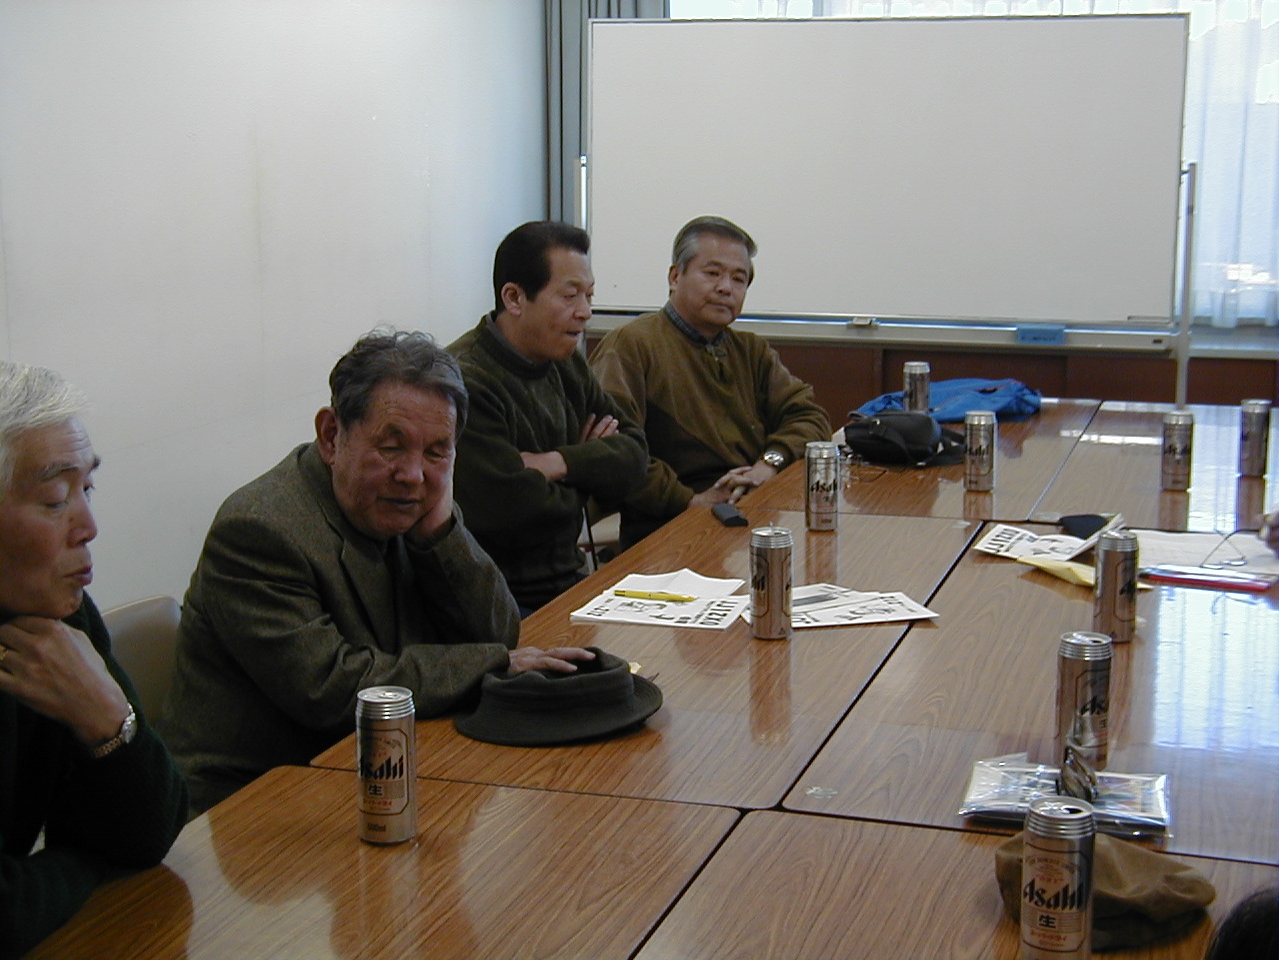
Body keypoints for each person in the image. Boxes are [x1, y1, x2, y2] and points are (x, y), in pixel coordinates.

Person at [164, 330, 591, 815]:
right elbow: (332, 689)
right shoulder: (259, 530)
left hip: (377, 765)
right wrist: (490, 665)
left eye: (436, 452)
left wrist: (441, 534)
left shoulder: (415, 505)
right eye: (392, 447)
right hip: (255, 801)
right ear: (331, 436)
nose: (413, 474)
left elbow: (497, 632)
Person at [0, 362, 187, 959]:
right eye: (56, 500)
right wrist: (84, 861)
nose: (89, 526)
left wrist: (108, 720)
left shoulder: (60, 620)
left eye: (88, 490)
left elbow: (151, 832)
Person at [590, 216, 831, 549]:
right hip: (669, 526)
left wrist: (767, 465)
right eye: (713, 273)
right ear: (675, 277)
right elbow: (615, 450)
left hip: (754, 509)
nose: (725, 288)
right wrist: (691, 501)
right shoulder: (632, 345)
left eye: (739, 278)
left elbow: (809, 416)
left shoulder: (751, 350)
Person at [447, 221, 647, 612]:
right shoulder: (465, 380)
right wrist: (591, 469)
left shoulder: (567, 362)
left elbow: (635, 456)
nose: (585, 312)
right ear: (514, 298)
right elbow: (513, 512)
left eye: (589, 295)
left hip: (570, 580)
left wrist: (558, 462)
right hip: (497, 601)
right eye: (570, 296)